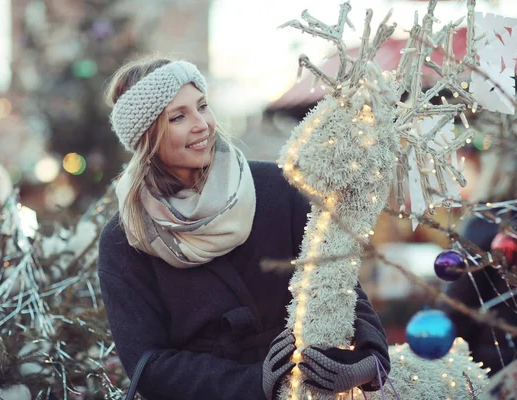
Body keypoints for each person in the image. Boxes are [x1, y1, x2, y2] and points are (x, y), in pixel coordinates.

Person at [97, 55, 390, 400]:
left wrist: (368, 360)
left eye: (202, 106)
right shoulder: (126, 239)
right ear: (147, 137)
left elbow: (341, 284)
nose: (201, 124)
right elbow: (148, 364)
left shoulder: (276, 187)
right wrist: (253, 382)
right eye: (178, 116)